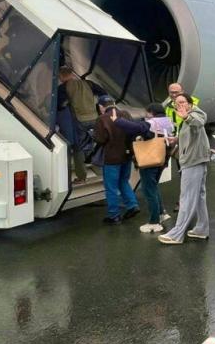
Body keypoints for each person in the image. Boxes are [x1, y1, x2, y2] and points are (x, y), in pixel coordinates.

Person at [112, 103, 175, 233]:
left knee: (149, 190)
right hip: (161, 159)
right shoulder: (168, 122)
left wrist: (117, 120)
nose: (146, 115)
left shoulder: (152, 123)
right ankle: (162, 213)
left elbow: (135, 127)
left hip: (149, 161)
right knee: (154, 187)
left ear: (151, 112)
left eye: (147, 113)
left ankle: (154, 222)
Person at [158, 93, 211, 244]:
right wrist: (176, 139)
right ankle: (201, 229)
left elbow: (198, 123)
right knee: (199, 195)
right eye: (176, 103)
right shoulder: (187, 116)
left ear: (189, 103)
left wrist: (186, 117)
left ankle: (176, 234)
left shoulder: (195, 114)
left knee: (186, 197)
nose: (179, 105)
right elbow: (191, 133)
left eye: (182, 102)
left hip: (193, 160)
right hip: (196, 158)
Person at [92, 96, 139, 224]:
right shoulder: (125, 114)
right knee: (123, 181)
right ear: (113, 104)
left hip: (111, 158)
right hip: (126, 155)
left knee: (111, 187)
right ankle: (132, 205)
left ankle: (114, 215)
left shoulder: (102, 119)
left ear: (101, 107)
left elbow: (100, 139)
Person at [59, 66, 98, 184]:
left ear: (61, 76)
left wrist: (67, 103)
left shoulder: (63, 87)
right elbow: (103, 93)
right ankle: (99, 168)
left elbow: (59, 105)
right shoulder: (89, 84)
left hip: (80, 120)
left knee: (78, 147)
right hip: (94, 118)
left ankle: (81, 177)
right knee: (95, 142)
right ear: (71, 74)